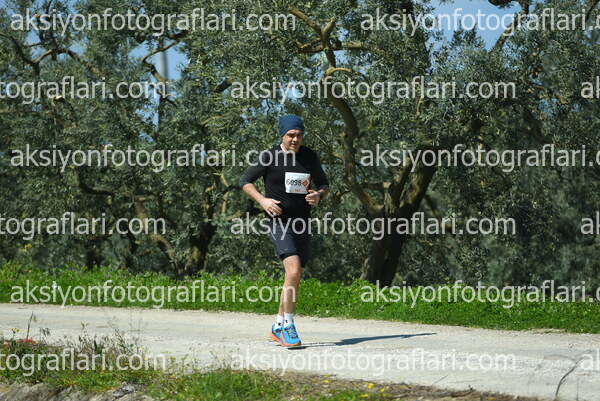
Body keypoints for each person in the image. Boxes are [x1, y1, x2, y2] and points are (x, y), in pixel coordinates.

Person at [239, 115, 329, 347]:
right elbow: (245, 181)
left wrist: (318, 195)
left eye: (299, 135)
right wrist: (263, 201)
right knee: (294, 270)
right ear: (282, 135)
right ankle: (288, 325)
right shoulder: (269, 156)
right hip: (279, 222)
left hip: (302, 223)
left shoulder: (309, 156)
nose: (295, 139)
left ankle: (277, 325)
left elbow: (324, 184)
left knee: (294, 275)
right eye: (291, 135)